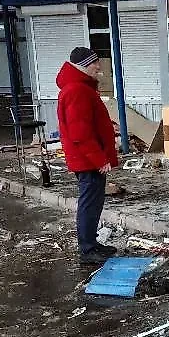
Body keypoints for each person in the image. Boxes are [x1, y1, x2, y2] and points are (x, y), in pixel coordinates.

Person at [56, 47, 119, 265]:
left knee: (93, 202)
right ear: (83, 65)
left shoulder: (80, 88)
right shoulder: (77, 91)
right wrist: (99, 159)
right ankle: (87, 248)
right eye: (94, 63)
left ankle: (91, 243)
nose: (98, 67)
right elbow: (80, 133)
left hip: (87, 158)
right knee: (89, 203)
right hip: (87, 160)